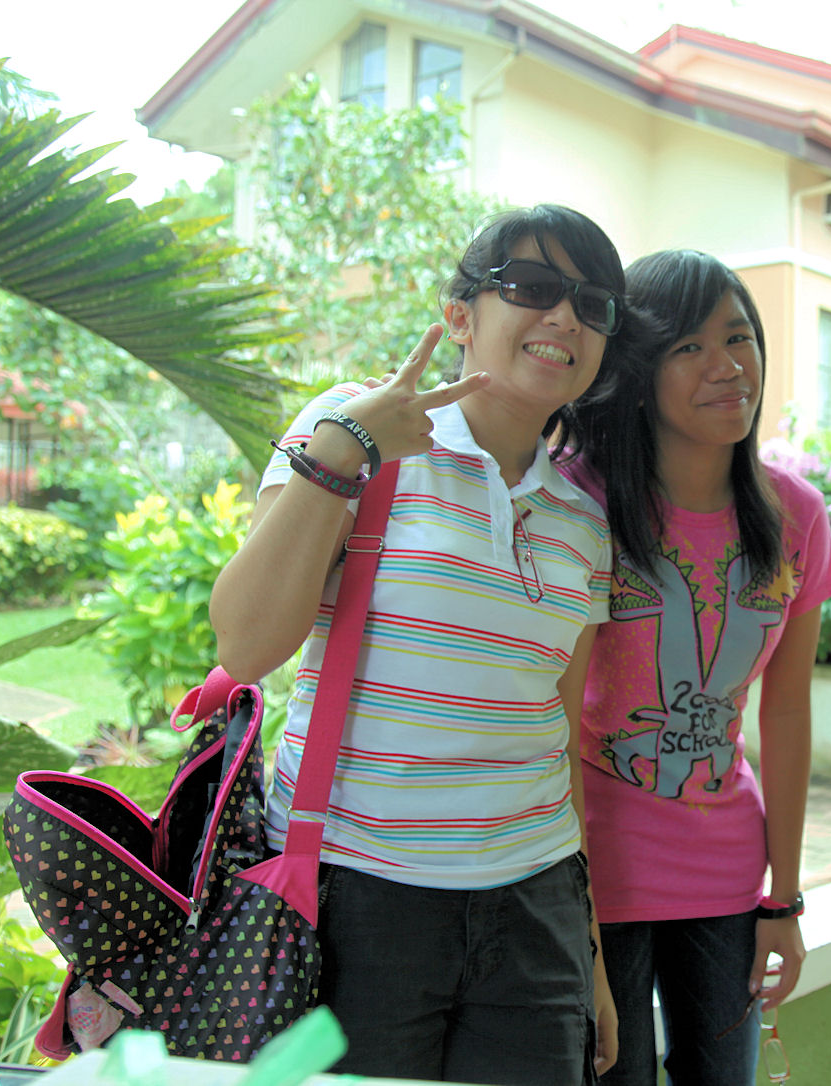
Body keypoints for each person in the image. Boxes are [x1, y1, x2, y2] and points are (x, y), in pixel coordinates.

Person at [209, 205, 627, 1084]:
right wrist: (345, 450)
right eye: (534, 288)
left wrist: (585, 954)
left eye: (593, 305)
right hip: (353, 899)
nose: (565, 318)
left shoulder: (583, 521)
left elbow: (556, 735)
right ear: (459, 316)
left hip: (536, 903)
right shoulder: (352, 431)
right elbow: (247, 646)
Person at [555, 250, 831, 1085]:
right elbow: (554, 714)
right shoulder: (581, 504)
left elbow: (785, 717)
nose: (728, 367)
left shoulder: (795, 516)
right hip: (597, 871)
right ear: (637, 370)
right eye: (689, 347)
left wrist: (782, 898)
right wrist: (574, 912)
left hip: (725, 874)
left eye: (740, 338)